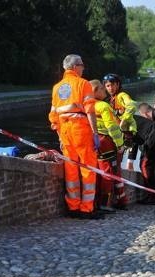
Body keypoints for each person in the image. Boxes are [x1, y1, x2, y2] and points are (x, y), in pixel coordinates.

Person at [48, 54, 103, 220]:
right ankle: (86, 208)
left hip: (64, 130)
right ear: (75, 67)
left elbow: (53, 114)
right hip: (80, 129)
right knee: (87, 167)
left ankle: (73, 206)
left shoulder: (57, 87)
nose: (83, 68)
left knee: (70, 169)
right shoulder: (83, 84)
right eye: (82, 65)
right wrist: (95, 133)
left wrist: (59, 134)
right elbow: (90, 110)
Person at [90, 80, 127, 212]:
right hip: (105, 142)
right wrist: (120, 144)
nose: (104, 90)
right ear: (95, 91)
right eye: (101, 88)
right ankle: (105, 203)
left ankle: (95, 201)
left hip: (92, 142)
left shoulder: (86, 105)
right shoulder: (103, 106)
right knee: (108, 172)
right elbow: (112, 127)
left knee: (97, 171)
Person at [103, 73, 138, 170]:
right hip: (118, 134)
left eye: (113, 85)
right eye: (108, 86)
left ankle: (118, 181)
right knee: (116, 160)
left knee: (118, 160)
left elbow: (132, 105)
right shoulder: (111, 99)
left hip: (126, 133)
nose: (111, 88)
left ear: (118, 84)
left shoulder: (122, 95)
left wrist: (124, 120)